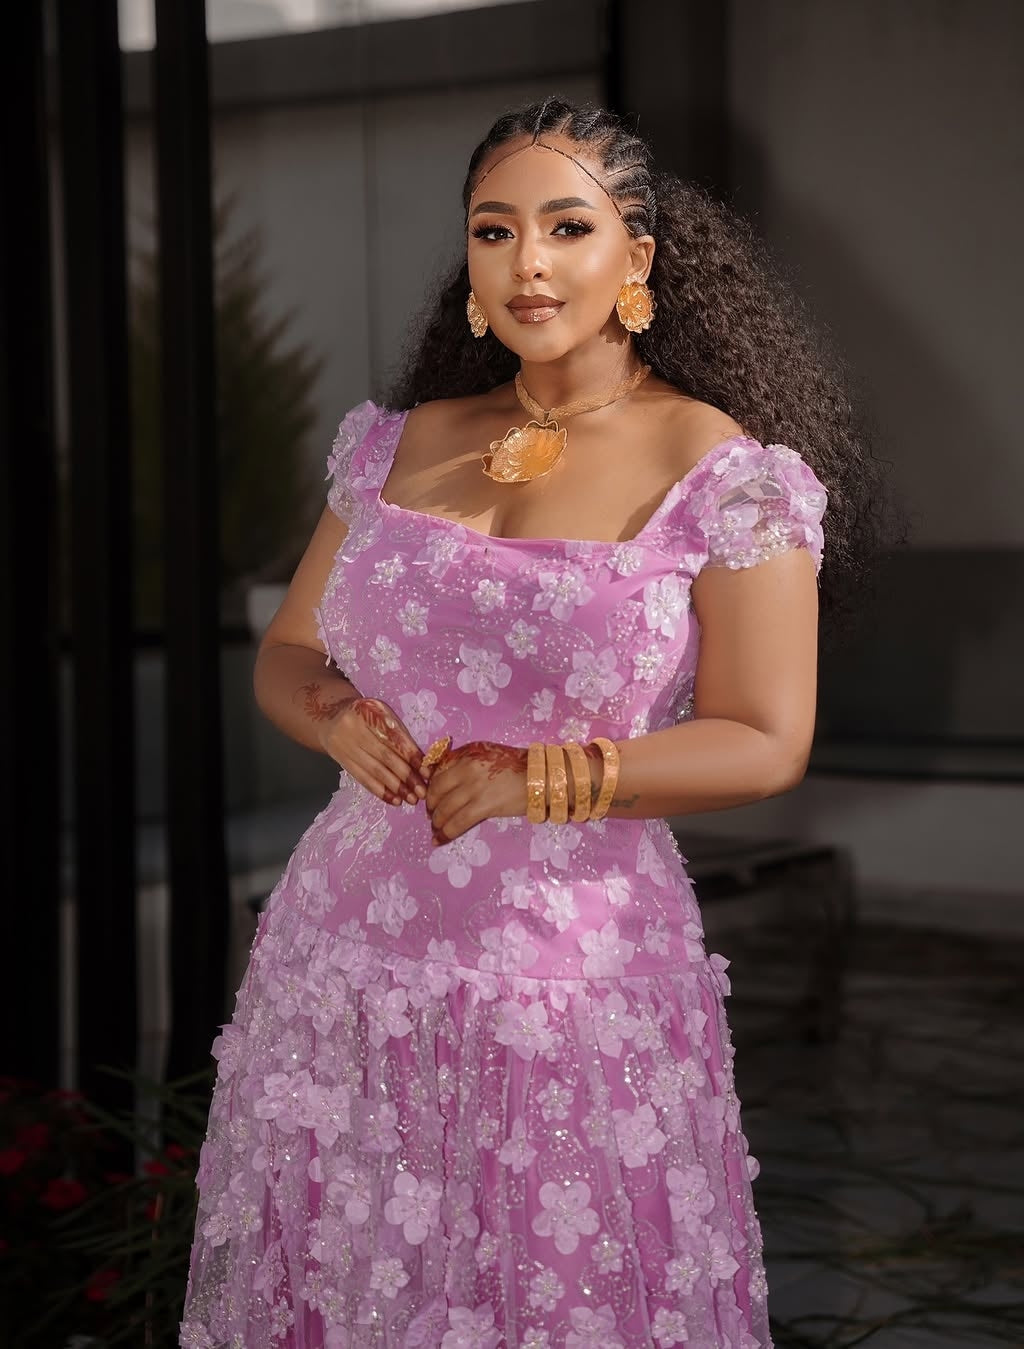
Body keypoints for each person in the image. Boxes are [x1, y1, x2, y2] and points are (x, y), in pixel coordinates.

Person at [180, 96, 889, 1348]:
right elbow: (289, 646)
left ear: (640, 259)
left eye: (568, 226)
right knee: (351, 1284)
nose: (529, 263)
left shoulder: (723, 471)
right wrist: (335, 712)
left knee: (557, 1292)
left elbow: (767, 735)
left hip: (573, 970)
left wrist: (542, 777)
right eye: (494, 231)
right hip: (345, 956)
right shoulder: (392, 446)